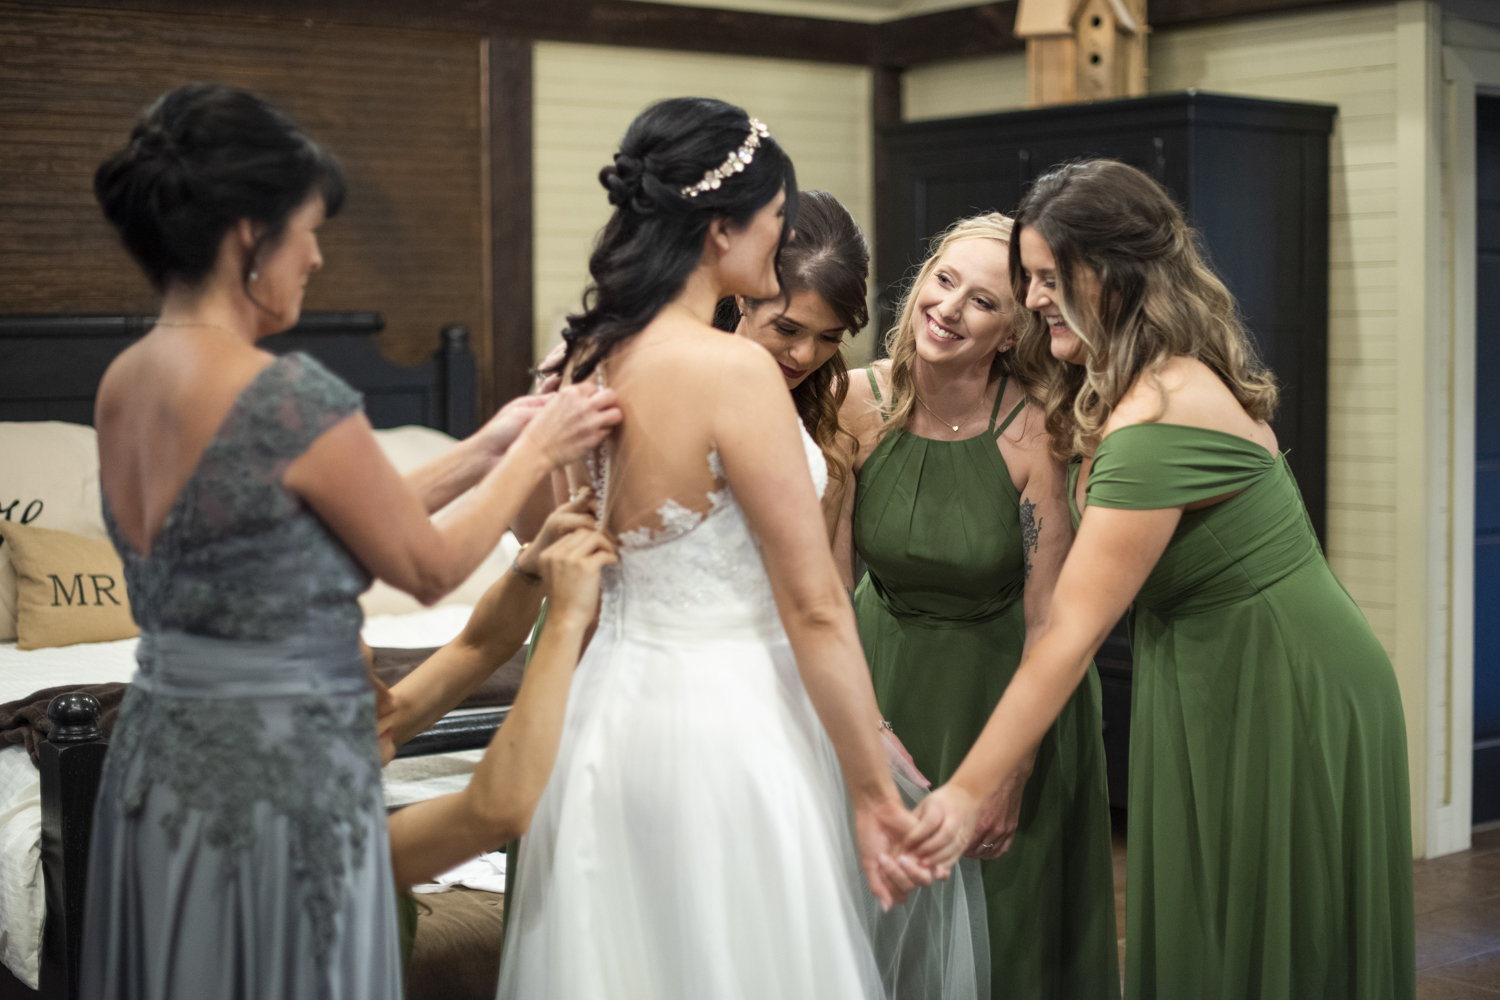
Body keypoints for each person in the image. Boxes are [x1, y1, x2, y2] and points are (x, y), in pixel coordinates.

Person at [81, 84, 618, 1000]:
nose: (318, 256)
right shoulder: (286, 393)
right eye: (308, 232)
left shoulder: (125, 380)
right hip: (277, 762)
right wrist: (537, 450)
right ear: (250, 236)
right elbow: (426, 566)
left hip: (166, 751)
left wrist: (483, 447)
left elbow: (287, 524)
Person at [905, 160, 1416, 999]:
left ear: (1105, 276)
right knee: (1215, 929)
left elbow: (1071, 630)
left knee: (1262, 938)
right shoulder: (1136, 373)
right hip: (1206, 665)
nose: (1034, 300)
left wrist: (967, 790)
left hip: (1281, 682)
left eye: (1044, 279)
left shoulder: (1160, 414)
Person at [497, 97, 955, 1000]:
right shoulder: (733, 371)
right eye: (774, 220)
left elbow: (561, 555)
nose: (777, 238)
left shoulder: (582, 355)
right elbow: (817, 604)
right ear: (720, 230)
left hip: (601, 713)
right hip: (725, 723)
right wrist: (869, 794)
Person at [838, 212, 1118, 999]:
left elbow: (1050, 620)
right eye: (945, 280)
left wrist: (1009, 771)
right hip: (876, 683)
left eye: (984, 302)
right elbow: (822, 591)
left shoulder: (1035, 433)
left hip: (1005, 698)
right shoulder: (856, 405)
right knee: (874, 928)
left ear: (1011, 332)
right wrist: (864, 729)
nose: (950, 308)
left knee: (1007, 935)